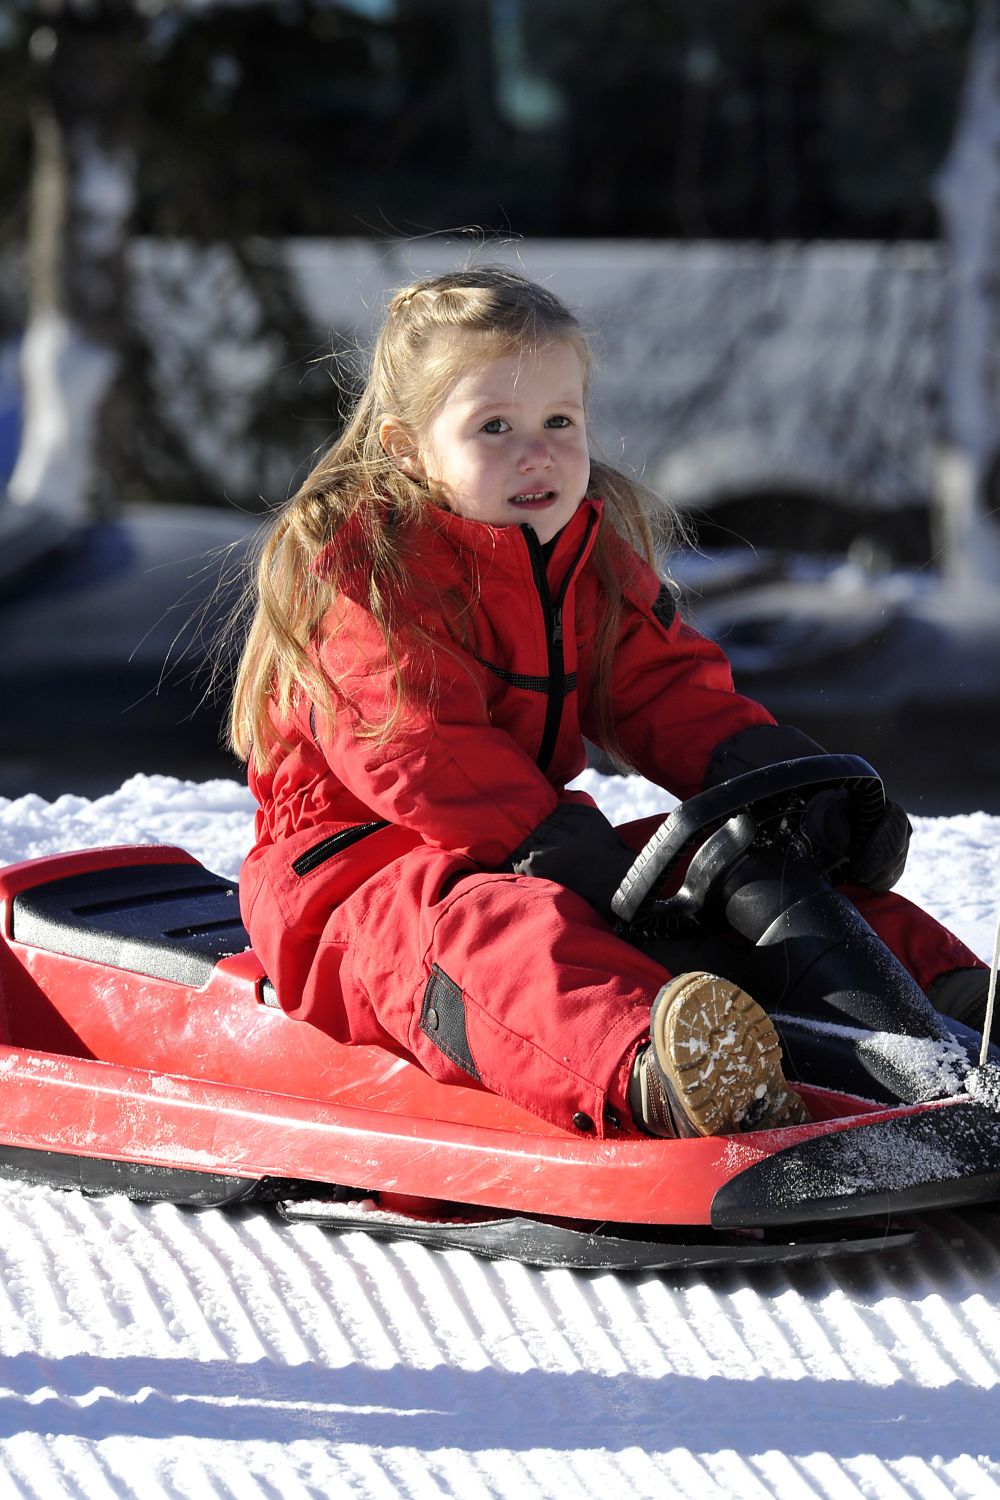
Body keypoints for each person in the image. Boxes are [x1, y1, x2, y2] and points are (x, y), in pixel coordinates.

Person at [229, 265, 988, 1141]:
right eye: (495, 427)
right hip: (357, 885)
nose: (537, 452)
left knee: (739, 869)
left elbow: (666, 689)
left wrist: (780, 781)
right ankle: (663, 1071)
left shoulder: (586, 560)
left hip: (525, 843)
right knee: (505, 932)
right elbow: (412, 743)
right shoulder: (364, 574)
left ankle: (944, 1005)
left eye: (559, 422)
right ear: (408, 449)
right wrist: (541, 837)